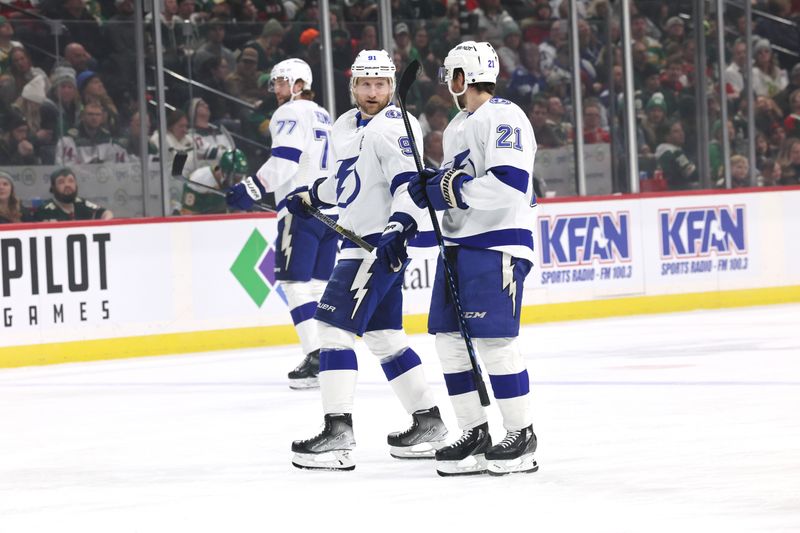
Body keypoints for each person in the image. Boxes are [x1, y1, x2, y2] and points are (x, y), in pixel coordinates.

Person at [281, 50, 447, 469]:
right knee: (385, 337)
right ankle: (429, 423)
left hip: (377, 245)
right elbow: (346, 182)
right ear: (352, 85)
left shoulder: (395, 126)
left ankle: (338, 436)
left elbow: (409, 184)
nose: (373, 92)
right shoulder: (343, 125)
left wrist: (398, 229)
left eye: (381, 84)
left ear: (392, 86)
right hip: (356, 240)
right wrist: (311, 195)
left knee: (332, 329)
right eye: (365, 84)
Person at [406, 41, 539, 476]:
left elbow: (510, 182)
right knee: (448, 341)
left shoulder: (504, 115)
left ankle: (521, 435)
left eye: (451, 73)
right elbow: (457, 188)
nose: (448, 81)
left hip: (497, 243)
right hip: (461, 244)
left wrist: (448, 189)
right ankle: (474, 431)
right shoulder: (459, 124)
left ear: (463, 76)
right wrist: (433, 189)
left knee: (495, 343)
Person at [225, 58, 338, 389]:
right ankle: (328, 356)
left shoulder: (289, 112)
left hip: (300, 210)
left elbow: (286, 160)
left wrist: (250, 188)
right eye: (274, 82)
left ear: (299, 84)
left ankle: (316, 355)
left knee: (294, 283)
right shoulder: (323, 114)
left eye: (280, 81)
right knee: (317, 284)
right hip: (329, 211)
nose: (275, 88)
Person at [31, 167, 113, 221]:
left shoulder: (81, 203)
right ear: (53, 188)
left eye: (71, 181)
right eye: (61, 182)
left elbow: (107, 213)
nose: (67, 185)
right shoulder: (44, 210)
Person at [183, 148, 247, 215]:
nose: (238, 181)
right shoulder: (198, 178)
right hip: (200, 221)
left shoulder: (242, 181)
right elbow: (187, 213)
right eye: (235, 177)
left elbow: (240, 212)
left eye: (240, 176)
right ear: (223, 171)